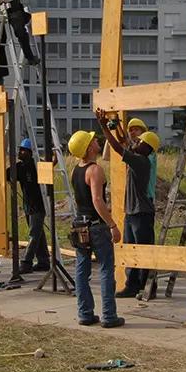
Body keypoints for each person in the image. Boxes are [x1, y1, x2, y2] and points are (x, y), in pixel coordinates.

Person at [97, 110, 158, 298]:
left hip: (142, 212)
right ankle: (132, 286)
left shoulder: (142, 161)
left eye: (139, 140)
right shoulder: (139, 156)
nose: (136, 141)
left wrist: (103, 126)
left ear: (147, 148)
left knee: (143, 250)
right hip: (132, 211)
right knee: (131, 249)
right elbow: (125, 143)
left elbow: (118, 147)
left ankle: (145, 287)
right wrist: (118, 127)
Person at [67, 130, 124, 328]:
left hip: (80, 226)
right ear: (89, 147)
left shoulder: (76, 170)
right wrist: (112, 225)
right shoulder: (95, 170)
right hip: (97, 227)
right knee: (106, 269)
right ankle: (109, 316)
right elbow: (97, 200)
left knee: (82, 271)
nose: (97, 140)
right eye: (94, 140)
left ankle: (85, 313)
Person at [12, 138, 50, 273]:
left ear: (30, 152)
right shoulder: (20, 167)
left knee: (34, 234)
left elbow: (49, 171)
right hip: (28, 206)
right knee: (38, 233)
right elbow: (8, 175)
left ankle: (26, 262)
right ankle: (44, 261)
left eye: (23, 150)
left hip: (39, 206)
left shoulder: (36, 165)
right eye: (20, 150)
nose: (20, 152)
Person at [126, 118, 158, 206]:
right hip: (135, 198)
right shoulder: (134, 149)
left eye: (136, 130)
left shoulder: (149, 153)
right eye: (130, 130)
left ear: (144, 133)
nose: (132, 132)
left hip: (146, 197)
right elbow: (106, 156)